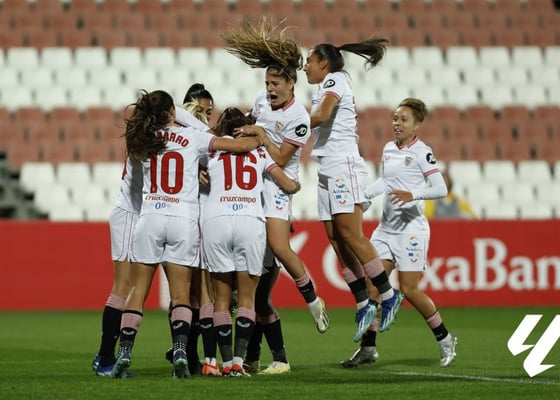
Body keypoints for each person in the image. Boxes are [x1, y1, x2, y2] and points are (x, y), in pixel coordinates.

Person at [110, 90, 262, 379]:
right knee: (181, 294)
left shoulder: (142, 138)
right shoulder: (192, 137)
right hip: (183, 220)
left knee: (137, 291)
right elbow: (236, 147)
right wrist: (259, 138)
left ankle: (125, 352)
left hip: (150, 218)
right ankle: (180, 350)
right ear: (172, 112)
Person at [222, 18, 329, 343]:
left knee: (280, 247)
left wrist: (260, 134)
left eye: (275, 84)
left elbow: (281, 157)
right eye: (267, 82)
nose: (269, 89)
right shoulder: (261, 101)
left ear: (291, 84)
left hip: (279, 184)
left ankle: (313, 299)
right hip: (255, 180)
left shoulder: (299, 117)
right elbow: (250, 127)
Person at [303, 37, 404, 342]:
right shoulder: (324, 85)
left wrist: (284, 123)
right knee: (335, 238)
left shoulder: (335, 79)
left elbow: (322, 116)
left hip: (342, 166)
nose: (305, 67)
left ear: (324, 63)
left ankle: (388, 295)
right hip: (327, 168)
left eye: (309, 61)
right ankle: (363, 303)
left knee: (351, 234)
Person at [201, 107, 301, 377]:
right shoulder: (260, 152)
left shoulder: (211, 151)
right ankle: (238, 362)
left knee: (221, 299)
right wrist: (296, 186)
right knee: (248, 298)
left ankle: (222, 363)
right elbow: (289, 185)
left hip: (217, 221)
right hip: (249, 221)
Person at [363, 98, 457, 368]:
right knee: (373, 286)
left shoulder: (422, 152)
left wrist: (413, 194)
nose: (397, 123)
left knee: (409, 290)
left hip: (411, 231)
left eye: (403, 120)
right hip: (386, 229)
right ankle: (368, 349)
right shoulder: (389, 148)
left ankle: (445, 339)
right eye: (395, 118)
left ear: (416, 125)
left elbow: (440, 188)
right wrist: (365, 196)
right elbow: (386, 181)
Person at [91, 156, 142, 377]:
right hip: (130, 213)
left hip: (141, 214)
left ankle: (104, 356)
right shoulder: (143, 142)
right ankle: (105, 358)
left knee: (130, 286)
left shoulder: (149, 139)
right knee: (123, 287)